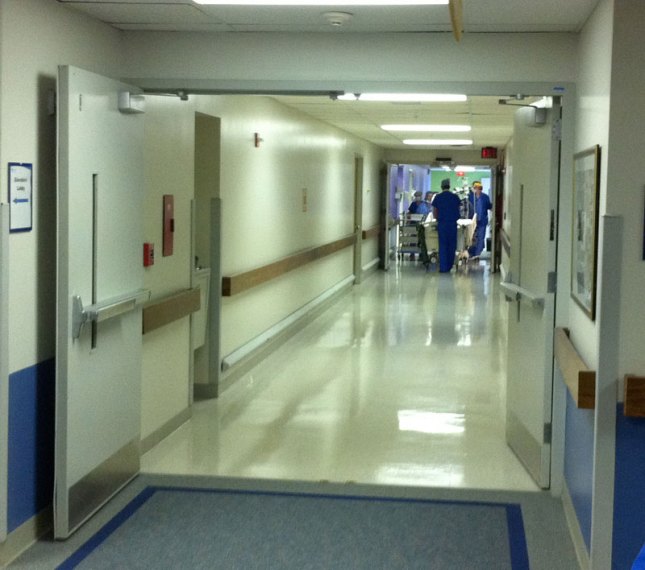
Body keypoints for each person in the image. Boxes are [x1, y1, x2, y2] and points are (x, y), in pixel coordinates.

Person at [432, 178, 461, 273]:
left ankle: (443, 268)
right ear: (449, 186)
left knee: (443, 245)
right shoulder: (455, 197)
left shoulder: (438, 197)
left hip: (442, 224)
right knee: (452, 245)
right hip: (452, 224)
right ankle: (449, 265)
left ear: (441, 187)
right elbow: (459, 209)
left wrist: (437, 219)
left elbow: (435, 211)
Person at [467, 181, 493, 259]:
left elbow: (489, 206)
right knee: (472, 238)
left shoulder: (485, 197)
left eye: (479, 188)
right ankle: (471, 253)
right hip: (472, 221)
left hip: (482, 221)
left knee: (481, 238)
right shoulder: (470, 197)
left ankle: (478, 254)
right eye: (476, 188)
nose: (478, 190)